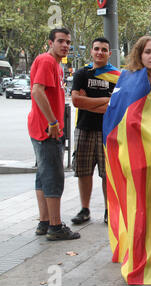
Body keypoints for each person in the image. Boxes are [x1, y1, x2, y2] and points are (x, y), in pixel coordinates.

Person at [103, 36, 151, 285]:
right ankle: (139, 269)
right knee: (141, 211)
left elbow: (118, 115)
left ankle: (128, 255)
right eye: (148, 52)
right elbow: (133, 121)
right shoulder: (142, 81)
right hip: (138, 155)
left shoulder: (127, 77)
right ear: (139, 54)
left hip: (122, 153)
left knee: (130, 207)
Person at [29, 28, 80, 241]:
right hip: (46, 130)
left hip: (44, 128)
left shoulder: (57, 65)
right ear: (50, 42)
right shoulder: (47, 61)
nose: (65, 45)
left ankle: (45, 221)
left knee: (43, 176)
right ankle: (55, 226)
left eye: (68, 42)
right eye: (60, 41)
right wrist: (52, 122)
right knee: (54, 177)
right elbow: (37, 91)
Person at [71, 37, 120, 225]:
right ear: (91, 51)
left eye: (104, 49)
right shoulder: (82, 74)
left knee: (108, 173)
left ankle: (110, 210)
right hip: (84, 128)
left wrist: (88, 102)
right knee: (83, 171)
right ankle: (85, 209)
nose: (100, 52)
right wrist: (105, 101)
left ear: (109, 53)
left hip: (108, 131)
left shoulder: (117, 76)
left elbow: (116, 106)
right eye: (96, 49)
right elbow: (76, 102)